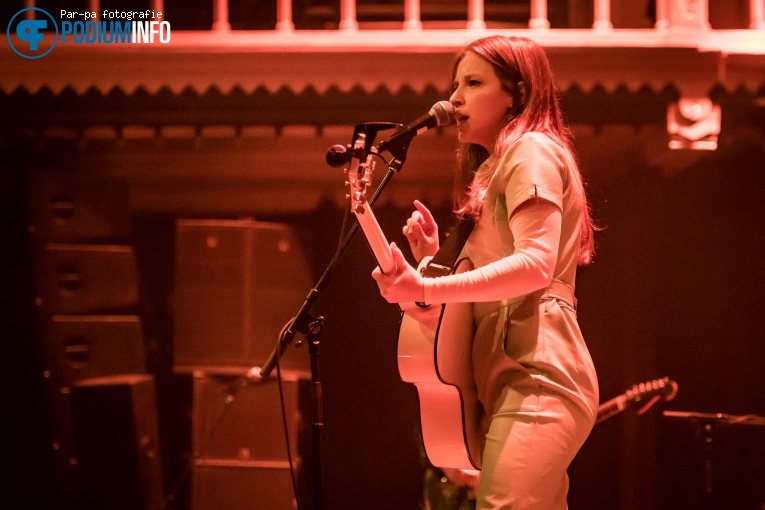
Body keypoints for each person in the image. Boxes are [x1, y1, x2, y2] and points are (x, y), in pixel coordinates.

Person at [372, 35, 599, 509]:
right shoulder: (493, 169)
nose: (453, 98)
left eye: (473, 83)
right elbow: (478, 302)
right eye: (456, 84)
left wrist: (430, 285)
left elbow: (535, 265)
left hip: (539, 374)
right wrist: (430, 261)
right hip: (511, 379)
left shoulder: (531, 148)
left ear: (517, 93)